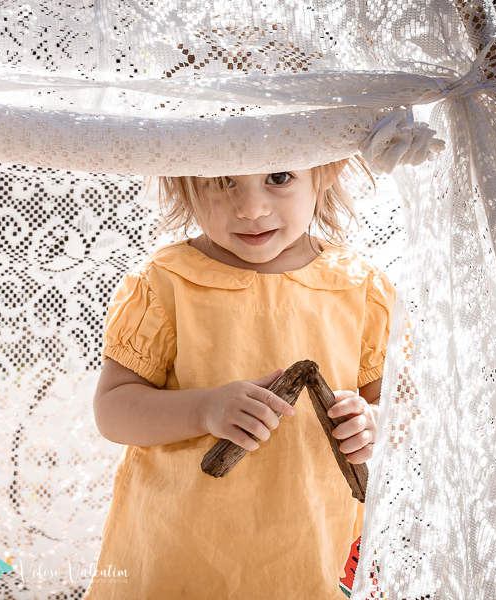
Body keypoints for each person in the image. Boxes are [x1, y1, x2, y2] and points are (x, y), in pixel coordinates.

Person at [83, 158, 395, 598]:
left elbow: (399, 407)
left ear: (325, 169)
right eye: (223, 180)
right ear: (185, 178)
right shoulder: (166, 283)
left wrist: (373, 422)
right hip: (181, 549)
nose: (250, 208)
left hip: (313, 547)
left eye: (279, 177)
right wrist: (204, 409)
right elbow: (113, 410)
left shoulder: (360, 289)